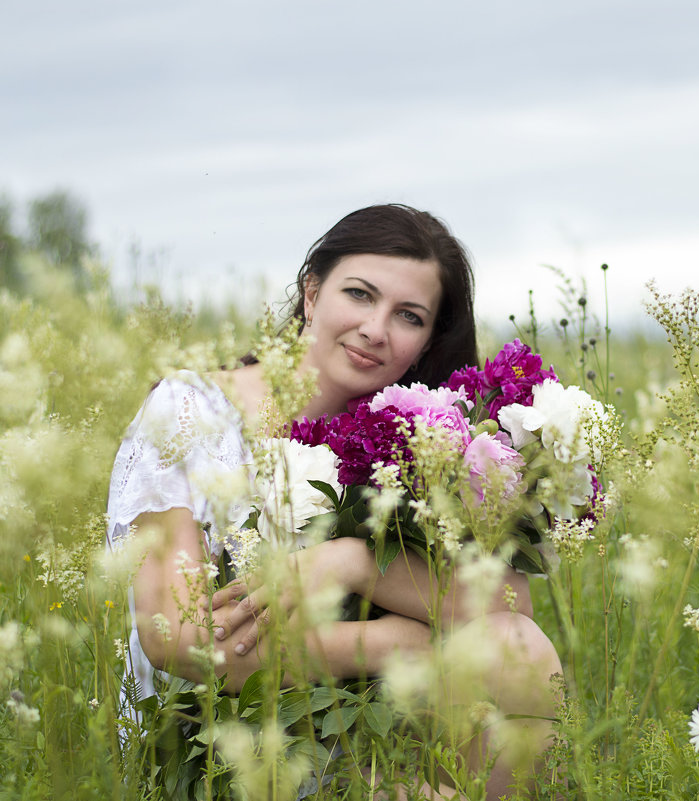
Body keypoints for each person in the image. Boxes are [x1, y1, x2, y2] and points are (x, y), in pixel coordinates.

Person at [105, 204, 563, 799]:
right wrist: (401, 642)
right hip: (216, 743)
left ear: (427, 342)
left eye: (408, 315)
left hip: (361, 730)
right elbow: (176, 637)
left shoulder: (412, 439)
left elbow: (511, 604)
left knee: (516, 648)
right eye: (359, 294)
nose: (376, 328)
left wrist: (349, 561)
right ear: (312, 291)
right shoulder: (192, 411)